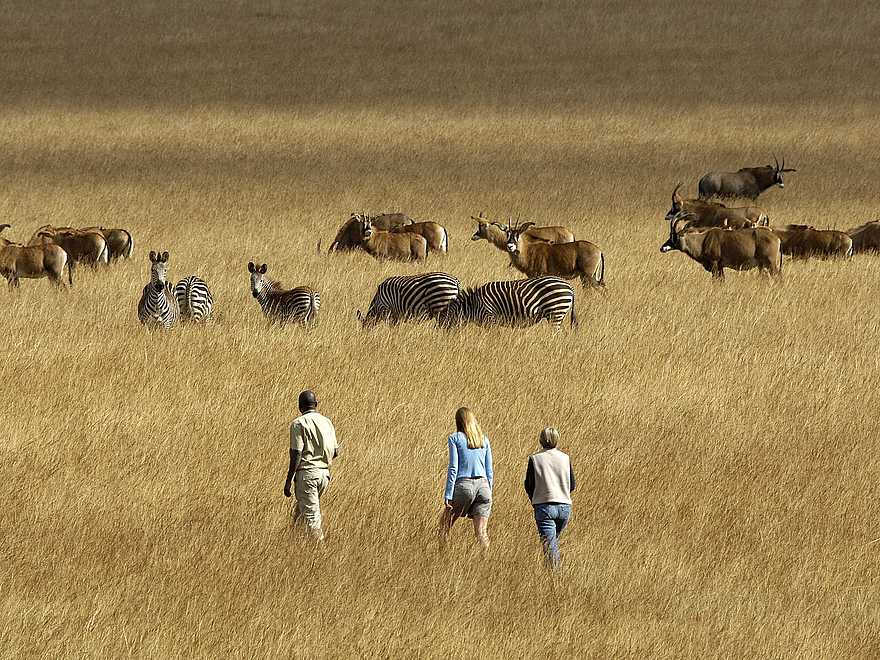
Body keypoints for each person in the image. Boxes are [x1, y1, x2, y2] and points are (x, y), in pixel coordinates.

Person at [283, 389, 340, 541]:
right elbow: (335, 451)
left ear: (300, 407)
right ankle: (293, 546)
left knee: (311, 520)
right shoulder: (327, 422)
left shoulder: (298, 424)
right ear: (316, 404)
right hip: (324, 475)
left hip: (307, 476)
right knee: (300, 516)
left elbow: (296, 453)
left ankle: (320, 552)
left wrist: (289, 480)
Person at [439, 407, 493, 549]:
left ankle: (443, 558)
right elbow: (489, 471)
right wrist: (489, 492)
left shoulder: (454, 438)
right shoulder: (484, 440)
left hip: (464, 485)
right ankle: (487, 563)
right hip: (484, 487)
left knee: (444, 527)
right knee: (482, 533)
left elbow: (453, 468)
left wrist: (448, 494)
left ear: (458, 421)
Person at [524, 427, 575, 569]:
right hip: (565, 507)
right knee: (553, 543)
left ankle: (555, 577)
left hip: (544, 506)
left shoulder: (534, 459)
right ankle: (552, 575)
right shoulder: (565, 458)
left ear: (541, 440)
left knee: (550, 547)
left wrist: (534, 499)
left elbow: (528, 485)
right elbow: (572, 484)